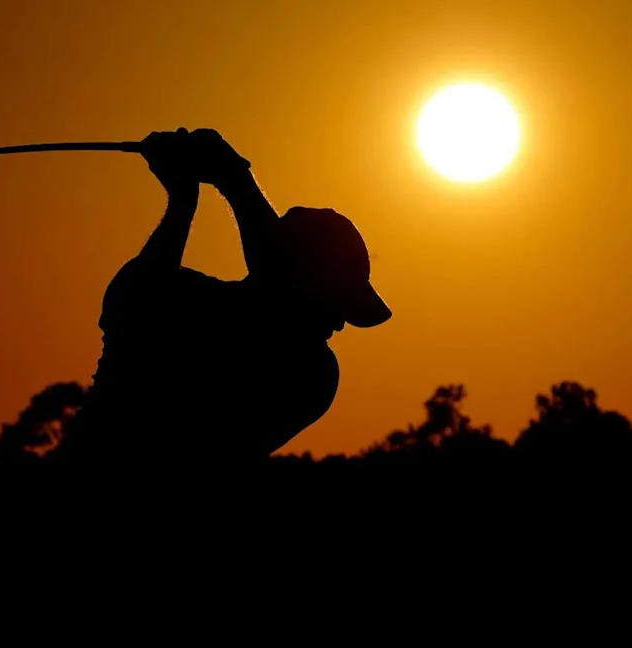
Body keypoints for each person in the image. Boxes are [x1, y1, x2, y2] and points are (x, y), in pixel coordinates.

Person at [68, 128, 390, 462]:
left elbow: (274, 285)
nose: (339, 324)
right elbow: (135, 297)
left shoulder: (313, 374)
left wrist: (223, 182)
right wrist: (195, 192)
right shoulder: (199, 300)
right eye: (335, 302)